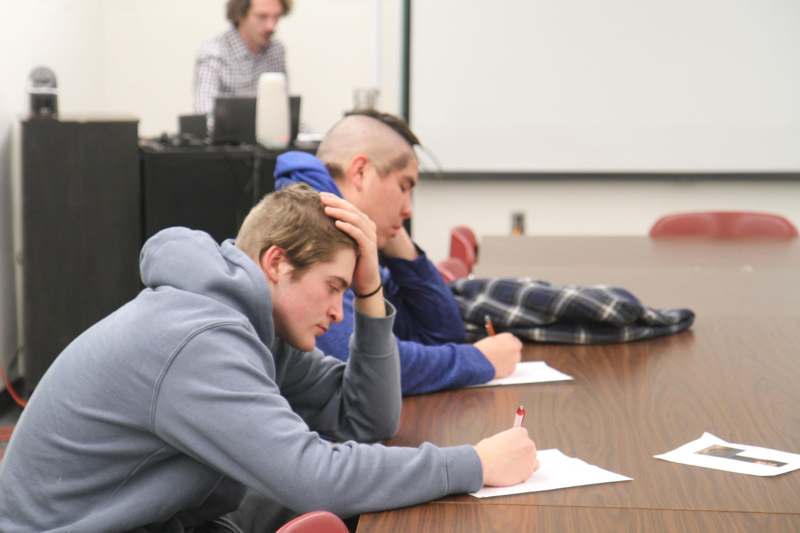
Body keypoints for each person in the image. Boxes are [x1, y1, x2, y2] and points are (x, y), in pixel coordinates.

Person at [0, 185, 538, 532]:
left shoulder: (260, 331)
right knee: (315, 498)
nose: (336, 311)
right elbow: (313, 475)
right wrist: (474, 464)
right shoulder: (202, 337)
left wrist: (372, 290)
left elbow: (367, 421)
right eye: (333, 287)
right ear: (277, 262)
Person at [274, 111, 524, 394]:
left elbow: (439, 335)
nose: (408, 209)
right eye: (403, 187)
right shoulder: (310, 233)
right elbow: (361, 366)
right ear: (360, 172)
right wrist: (479, 360)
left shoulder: (351, 241)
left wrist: (398, 243)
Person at [193, 0, 291, 115]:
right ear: (239, 15)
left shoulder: (275, 51)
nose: (271, 26)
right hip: (228, 133)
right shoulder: (213, 54)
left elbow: (284, 112)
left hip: (270, 132)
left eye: (276, 17)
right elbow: (205, 116)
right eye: (262, 16)